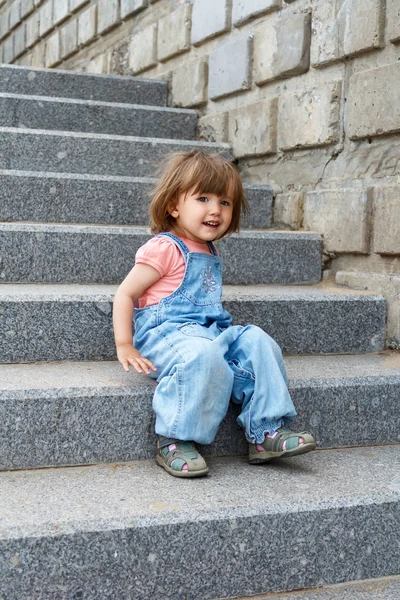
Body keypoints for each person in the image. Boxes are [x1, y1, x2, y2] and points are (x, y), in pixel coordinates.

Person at [113, 151, 316, 478]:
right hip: (167, 332)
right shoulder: (165, 248)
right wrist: (125, 343)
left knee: (258, 341)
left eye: (225, 202)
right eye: (203, 198)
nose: (215, 210)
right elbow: (126, 293)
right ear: (174, 206)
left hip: (209, 332)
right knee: (203, 355)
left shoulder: (209, 249)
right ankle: (176, 438)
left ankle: (264, 431)